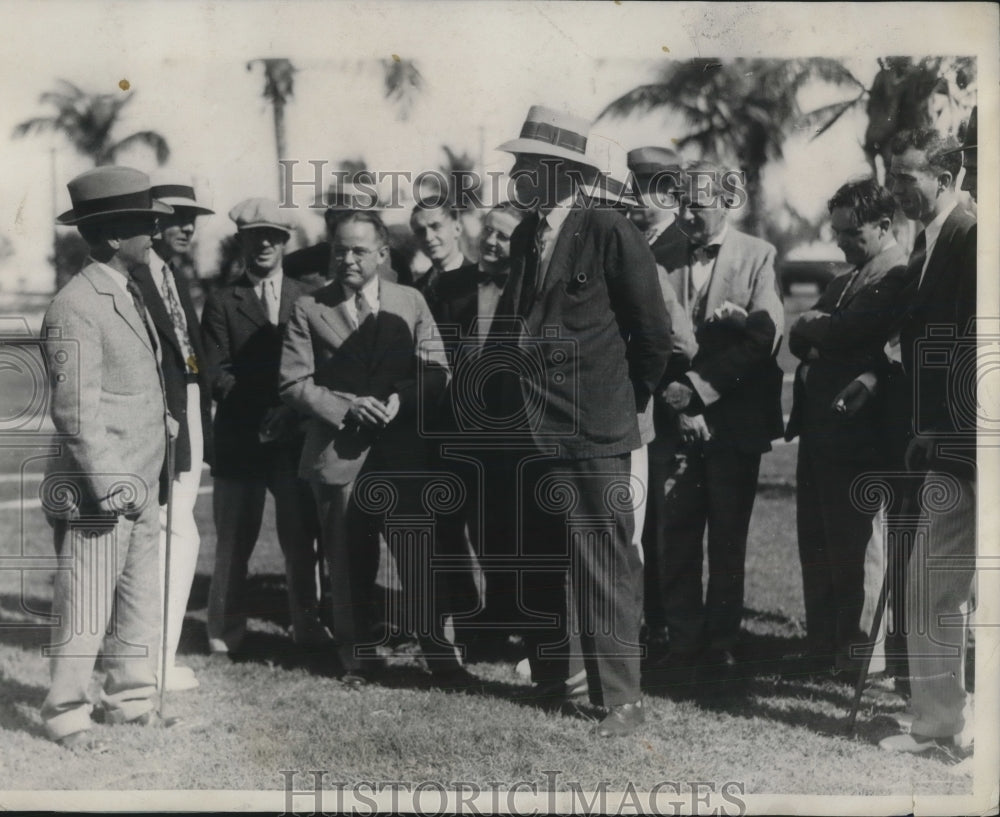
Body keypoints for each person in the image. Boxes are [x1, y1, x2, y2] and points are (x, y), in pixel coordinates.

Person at [490, 105, 671, 736]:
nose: (514, 173)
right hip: (532, 430)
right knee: (539, 556)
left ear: (559, 172)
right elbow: (511, 326)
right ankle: (552, 678)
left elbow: (653, 336)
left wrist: (620, 403)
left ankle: (622, 700)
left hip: (595, 430)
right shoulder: (524, 236)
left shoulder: (608, 229)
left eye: (524, 164)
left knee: (603, 561)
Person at [279, 210, 472, 689]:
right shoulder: (308, 307)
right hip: (339, 456)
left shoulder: (410, 301)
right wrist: (347, 406)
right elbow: (293, 382)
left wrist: (401, 399)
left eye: (359, 250)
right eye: (340, 250)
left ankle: (441, 657)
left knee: (418, 558)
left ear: (383, 254)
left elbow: (436, 370)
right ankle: (358, 659)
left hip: (402, 454)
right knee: (345, 562)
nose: (347, 259)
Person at [835, 126, 976, 754]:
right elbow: (913, 332)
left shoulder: (969, 236)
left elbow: (975, 348)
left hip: (965, 443)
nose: (894, 190)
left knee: (933, 585)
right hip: (946, 438)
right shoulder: (932, 239)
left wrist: (942, 431)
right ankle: (943, 724)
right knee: (939, 585)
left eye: (905, 179)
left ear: (944, 179)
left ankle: (941, 729)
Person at [40, 166, 179, 751]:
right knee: (87, 600)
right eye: (148, 225)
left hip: (144, 476)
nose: (157, 234)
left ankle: (130, 699)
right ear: (115, 236)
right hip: (106, 486)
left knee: (140, 596)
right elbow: (75, 412)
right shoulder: (77, 305)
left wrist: (163, 423)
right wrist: (107, 482)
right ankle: (66, 713)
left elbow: (133, 382)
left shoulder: (130, 291)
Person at [651, 161, 785, 689]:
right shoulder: (659, 256)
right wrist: (677, 402)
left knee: (727, 540)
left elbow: (763, 340)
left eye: (696, 204)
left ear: (728, 202)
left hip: (730, 428)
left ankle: (722, 645)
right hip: (673, 421)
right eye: (680, 202)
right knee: (676, 537)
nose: (685, 214)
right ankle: (682, 645)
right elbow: (646, 336)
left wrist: (701, 396)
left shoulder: (759, 257)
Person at [785, 178, 910, 677]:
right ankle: (826, 649)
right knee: (817, 546)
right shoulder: (847, 279)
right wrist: (822, 334)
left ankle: (863, 653)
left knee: (860, 549)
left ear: (884, 226)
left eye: (851, 233)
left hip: (861, 440)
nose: (840, 242)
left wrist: (822, 332)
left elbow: (841, 333)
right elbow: (802, 337)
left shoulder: (897, 275)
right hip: (821, 435)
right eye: (836, 231)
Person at [201, 198, 326, 661]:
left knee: (300, 539)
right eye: (255, 237)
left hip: (293, 441)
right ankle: (225, 631)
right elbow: (218, 373)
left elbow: (319, 367)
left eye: (273, 236)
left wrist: (289, 412)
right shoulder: (220, 301)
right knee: (233, 541)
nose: (265, 244)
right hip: (241, 439)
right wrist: (266, 410)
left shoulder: (307, 296)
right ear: (242, 242)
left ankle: (308, 626)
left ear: (285, 242)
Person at [130, 178, 215, 692]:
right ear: (153, 223)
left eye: (194, 219)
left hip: (189, 413)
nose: (187, 227)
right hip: (161, 418)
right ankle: (151, 661)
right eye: (176, 217)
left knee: (181, 530)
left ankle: (159, 656)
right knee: (168, 533)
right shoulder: (136, 277)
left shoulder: (171, 275)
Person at [625, 146, 699, 653]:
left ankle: (671, 626)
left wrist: (686, 397)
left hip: (676, 405)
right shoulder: (626, 240)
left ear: (671, 194)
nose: (635, 198)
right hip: (635, 405)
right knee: (637, 522)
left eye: (647, 188)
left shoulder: (687, 250)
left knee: (672, 528)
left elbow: (682, 335)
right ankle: (647, 623)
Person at [410, 202, 476, 314]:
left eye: (435, 226)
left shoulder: (479, 283)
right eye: (420, 231)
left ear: (457, 228)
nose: (428, 237)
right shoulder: (416, 290)